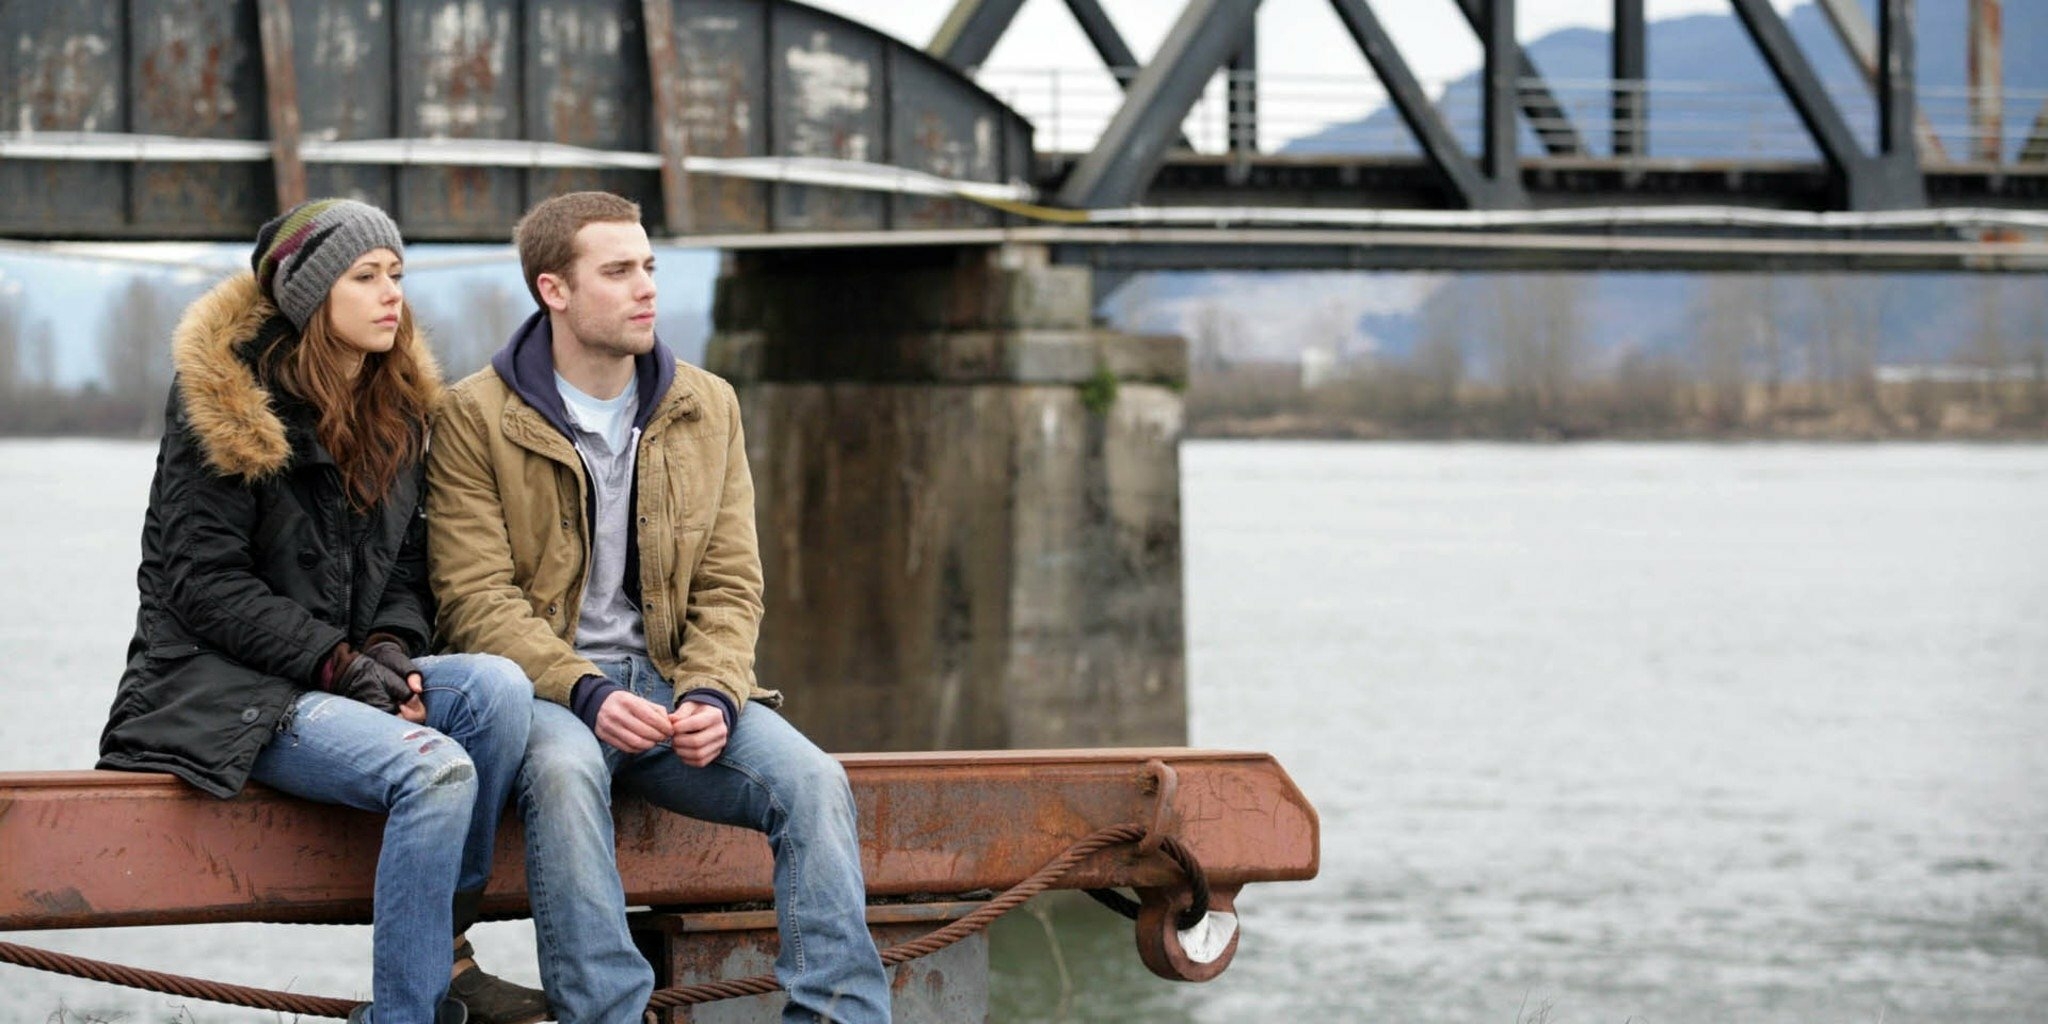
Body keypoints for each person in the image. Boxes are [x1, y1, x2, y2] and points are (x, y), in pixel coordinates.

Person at [425, 191, 890, 1024]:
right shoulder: (472, 416)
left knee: (814, 780)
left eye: (648, 266)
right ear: (554, 290)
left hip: (675, 686)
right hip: (552, 694)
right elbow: (475, 601)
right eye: (617, 271)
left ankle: (835, 1014)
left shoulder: (707, 404)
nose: (645, 287)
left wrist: (714, 692)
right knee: (564, 774)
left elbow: (731, 582)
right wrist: (588, 692)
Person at [96, 198, 545, 1024]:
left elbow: (406, 566)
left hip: (342, 674)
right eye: (365, 276)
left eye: (396, 274)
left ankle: (444, 953)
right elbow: (203, 585)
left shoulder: (397, 405)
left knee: (499, 690)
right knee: (434, 770)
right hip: (225, 688)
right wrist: (338, 664)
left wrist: (391, 648)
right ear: (310, 295)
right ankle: (407, 1013)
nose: (391, 294)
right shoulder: (226, 405)